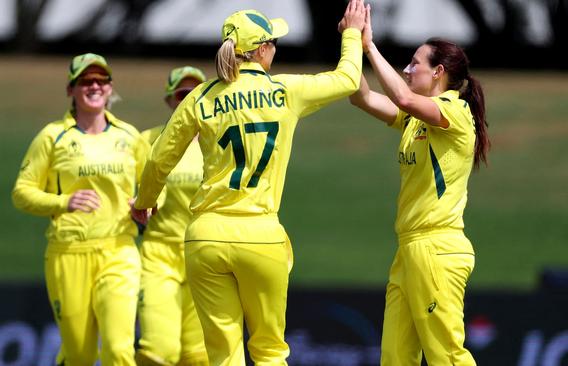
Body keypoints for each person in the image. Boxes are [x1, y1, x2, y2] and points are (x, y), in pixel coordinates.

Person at [130, 1, 366, 363]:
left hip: (206, 236)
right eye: (273, 41)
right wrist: (351, 34)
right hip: (260, 235)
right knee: (270, 350)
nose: (276, 48)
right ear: (262, 50)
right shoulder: (286, 90)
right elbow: (348, 78)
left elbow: (159, 159)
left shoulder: (201, 96)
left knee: (223, 354)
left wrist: (145, 201)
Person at [348, 7, 490, 366]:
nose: (408, 71)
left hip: (438, 247)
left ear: (438, 72)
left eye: (415, 64)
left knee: (447, 356)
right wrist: (350, 40)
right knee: (396, 357)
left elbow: (404, 99)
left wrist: (370, 47)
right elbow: (360, 96)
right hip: (409, 249)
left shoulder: (455, 113)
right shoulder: (415, 119)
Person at [12, 53, 148, 365]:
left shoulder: (130, 136)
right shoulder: (52, 136)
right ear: (71, 89)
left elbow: (156, 184)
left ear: (111, 88)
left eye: (102, 80)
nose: (95, 86)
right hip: (69, 252)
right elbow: (22, 193)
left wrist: (149, 205)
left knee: (119, 349)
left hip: (119, 250)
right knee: (79, 355)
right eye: (86, 81)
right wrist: (64, 202)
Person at [136, 66, 209, 366]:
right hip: (159, 254)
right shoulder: (147, 140)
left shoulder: (216, 141)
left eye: (196, 93)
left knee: (198, 356)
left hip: (203, 255)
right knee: (158, 351)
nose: (188, 99)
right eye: (182, 94)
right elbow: (134, 186)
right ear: (169, 100)